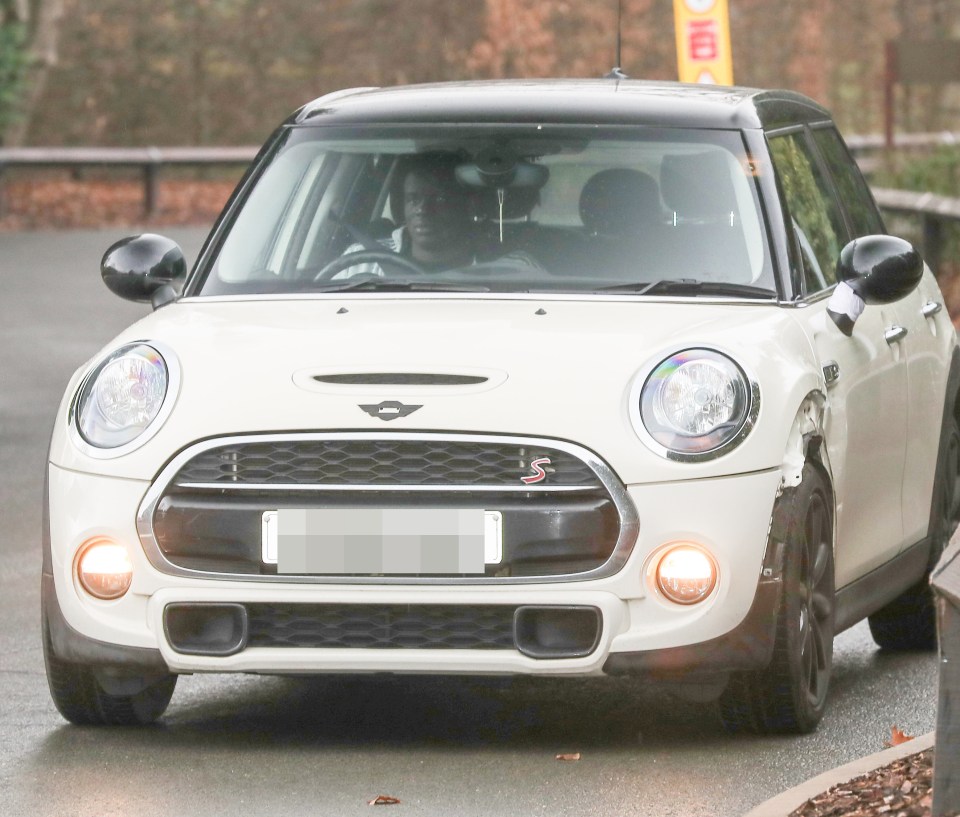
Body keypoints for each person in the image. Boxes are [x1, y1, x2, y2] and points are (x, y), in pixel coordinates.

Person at [334, 151, 538, 278]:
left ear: (468, 205)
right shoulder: (361, 260)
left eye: (439, 200)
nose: (422, 209)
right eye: (413, 199)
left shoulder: (512, 268)